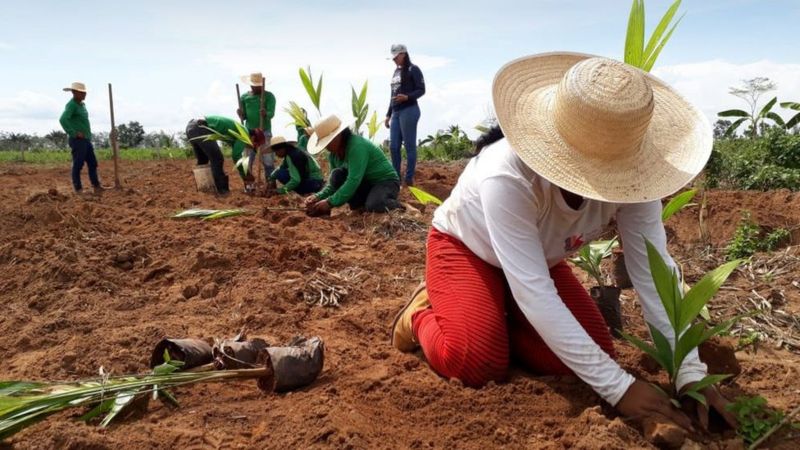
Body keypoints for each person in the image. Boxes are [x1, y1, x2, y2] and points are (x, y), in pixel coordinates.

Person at [390, 53, 739, 431]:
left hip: (536, 262)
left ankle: (491, 313)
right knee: (477, 362)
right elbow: (535, 292)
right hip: (467, 248)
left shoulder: (635, 182)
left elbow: (653, 275)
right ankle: (421, 315)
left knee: (590, 356)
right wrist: (620, 389)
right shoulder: (506, 174)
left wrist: (689, 373)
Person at [304, 115, 402, 216]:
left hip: (386, 182)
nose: (326, 147)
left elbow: (353, 180)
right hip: (366, 183)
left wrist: (329, 202)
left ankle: (402, 207)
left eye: (328, 142)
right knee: (337, 175)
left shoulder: (356, 146)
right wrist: (318, 196)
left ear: (339, 135)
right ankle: (359, 207)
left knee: (374, 205)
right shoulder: (334, 155)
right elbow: (333, 185)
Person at [384, 44, 425, 186]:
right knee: (394, 146)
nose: (394, 60)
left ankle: (408, 179)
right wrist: (388, 114)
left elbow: (421, 90)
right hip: (395, 112)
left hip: (409, 110)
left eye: (396, 57)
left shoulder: (413, 69)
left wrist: (407, 97)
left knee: (409, 146)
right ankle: (396, 178)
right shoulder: (395, 72)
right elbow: (392, 95)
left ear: (403, 54)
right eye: (393, 58)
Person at [59, 82, 102, 194]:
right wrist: (74, 133)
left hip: (86, 140)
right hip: (78, 141)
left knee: (92, 163)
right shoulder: (72, 105)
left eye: (85, 92)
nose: (84, 94)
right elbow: (63, 119)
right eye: (81, 92)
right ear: (74, 92)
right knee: (78, 164)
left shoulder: (82, 105)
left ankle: (96, 186)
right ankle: (78, 189)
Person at [238, 72, 277, 187]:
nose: (255, 87)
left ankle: (270, 185)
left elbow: (271, 113)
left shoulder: (269, 96)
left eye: (257, 85)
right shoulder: (244, 97)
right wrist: (241, 114)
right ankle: (249, 185)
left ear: (262, 85)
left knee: (268, 160)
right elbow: (244, 116)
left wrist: (266, 113)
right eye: (253, 85)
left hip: (264, 132)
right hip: (249, 133)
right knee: (247, 160)